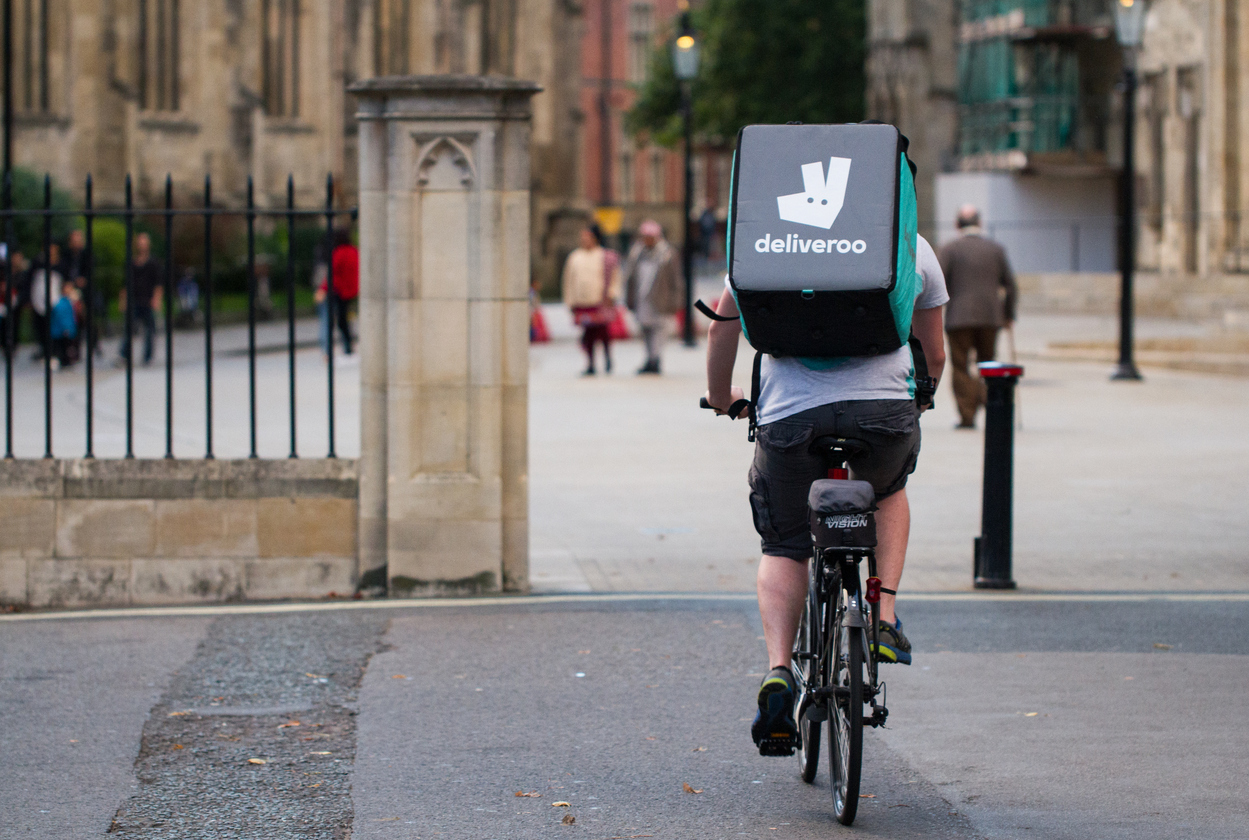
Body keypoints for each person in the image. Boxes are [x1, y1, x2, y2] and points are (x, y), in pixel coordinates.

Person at [703, 235, 947, 756]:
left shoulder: (766, 233)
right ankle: (883, 618)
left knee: (786, 544)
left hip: (791, 415)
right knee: (888, 489)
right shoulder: (906, 237)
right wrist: (916, 405)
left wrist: (723, 398)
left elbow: (723, 325)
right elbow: (936, 351)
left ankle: (778, 673)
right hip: (882, 410)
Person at [937, 205, 1018, 429]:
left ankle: (967, 414)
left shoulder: (949, 249)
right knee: (988, 363)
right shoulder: (995, 248)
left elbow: (937, 282)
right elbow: (1010, 286)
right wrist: (1008, 314)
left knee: (961, 366)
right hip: (991, 317)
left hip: (958, 317)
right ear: (979, 223)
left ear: (957, 225)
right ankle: (987, 402)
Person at [561, 223, 621, 375]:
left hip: (599, 300)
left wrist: (613, 294)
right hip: (582, 301)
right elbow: (568, 280)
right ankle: (590, 363)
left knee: (603, 331)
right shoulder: (575, 257)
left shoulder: (605, 256)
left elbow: (614, 277)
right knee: (588, 334)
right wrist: (569, 300)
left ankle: (607, 356)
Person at [622, 220, 681, 374]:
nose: (646, 240)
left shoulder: (667, 254)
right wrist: (628, 298)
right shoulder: (636, 253)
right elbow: (629, 277)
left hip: (660, 299)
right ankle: (649, 359)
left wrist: (675, 300)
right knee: (645, 330)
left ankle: (655, 359)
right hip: (641, 299)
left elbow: (675, 280)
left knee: (659, 331)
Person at [117, 232, 163, 366]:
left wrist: (156, 299)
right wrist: (123, 300)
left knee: (149, 330)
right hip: (134, 299)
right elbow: (125, 283)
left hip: (147, 299)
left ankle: (148, 356)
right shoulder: (131, 262)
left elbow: (158, 283)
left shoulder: (153, 262)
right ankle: (124, 354)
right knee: (129, 328)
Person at [317, 229, 358, 357]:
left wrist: (323, 289)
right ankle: (348, 347)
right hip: (350, 291)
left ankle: (330, 350)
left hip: (339, 291)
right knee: (343, 320)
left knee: (332, 321)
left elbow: (332, 274)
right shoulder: (354, 251)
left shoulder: (339, 253)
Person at [29, 244, 64, 362]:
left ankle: (55, 351)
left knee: (55, 326)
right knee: (41, 327)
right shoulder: (37, 262)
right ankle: (44, 350)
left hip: (56, 301)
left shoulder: (60, 263)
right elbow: (30, 280)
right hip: (39, 301)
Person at [49, 278, 79, 369]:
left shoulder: (68, 301)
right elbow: (62, 317)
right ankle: (64, 362)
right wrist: (66, 328)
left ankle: (66, 362)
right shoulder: (61, 302)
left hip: (65, 329)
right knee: (63, 348)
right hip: (62, 330)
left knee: (66, 347)